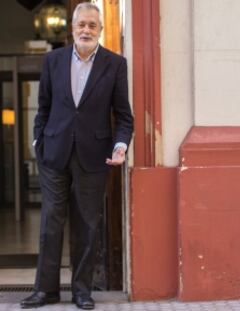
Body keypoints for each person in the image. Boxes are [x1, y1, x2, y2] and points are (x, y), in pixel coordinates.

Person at [20, 2, 133, 310]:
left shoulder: (115, 64)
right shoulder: (53, 61)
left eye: (92, 25)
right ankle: (46, 290)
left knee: (86, 224)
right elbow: (43, 108)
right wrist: (37, 142)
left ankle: (82, 291)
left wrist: (120, 146)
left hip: (94, 156)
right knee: (50, 223)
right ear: (72, 28)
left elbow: (124, 116)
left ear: (100, 30)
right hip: (53, 154)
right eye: (81, 24)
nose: (86, 30)